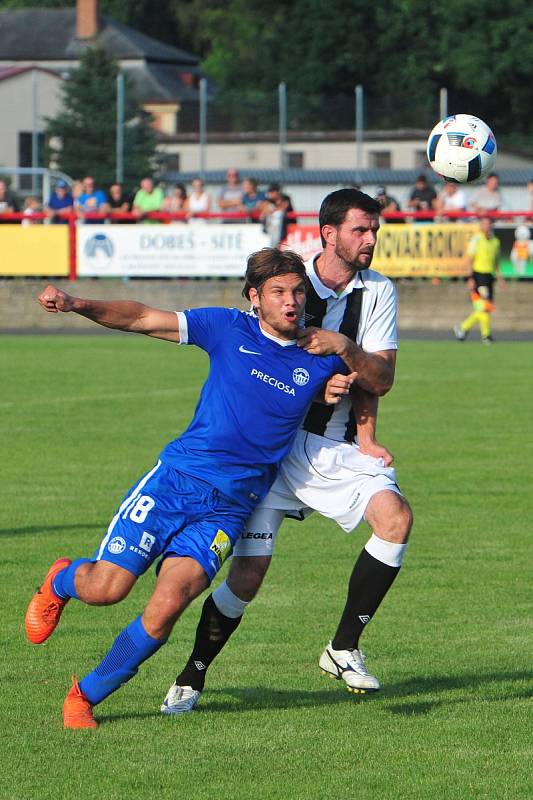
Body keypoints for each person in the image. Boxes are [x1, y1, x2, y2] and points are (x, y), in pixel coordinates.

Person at [25, 247, 361, 729]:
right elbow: (142, 317)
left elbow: (376, 380)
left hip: (228, 509)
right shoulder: (227, 328)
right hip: (176, 482)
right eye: (279, 292)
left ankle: (84, 695)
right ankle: (62, 578)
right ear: (255, 298)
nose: (291, 301)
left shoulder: (321, 354)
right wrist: (78, 303)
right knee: (107, 589)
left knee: (165, 612)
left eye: (298, 292)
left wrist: (344, 364)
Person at [161, 188, 413, 715]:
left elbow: (381, 377)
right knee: (247, 579)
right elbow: (248, 346)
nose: (370, 239)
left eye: (374, 230)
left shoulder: (379, 290)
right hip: (271, 451)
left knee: (395, 519)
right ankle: (193, 675)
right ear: (329, 233)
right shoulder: (289, 275)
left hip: (332, 449)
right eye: (360, 230)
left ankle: (342, 646)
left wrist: (344, 351)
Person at [454, 217, 503, 343]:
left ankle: (463, 328)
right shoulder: (476, 240)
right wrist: (470, 278)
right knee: (483, 307)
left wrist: (500, 277)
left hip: (489, 277)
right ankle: (485, 335)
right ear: (481, 226)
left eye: (488, 224)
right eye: (484, 224)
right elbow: (470, 259)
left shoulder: (495, 241)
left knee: (485, 307)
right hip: (478, 276)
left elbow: (496, 261)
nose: (486, 226)